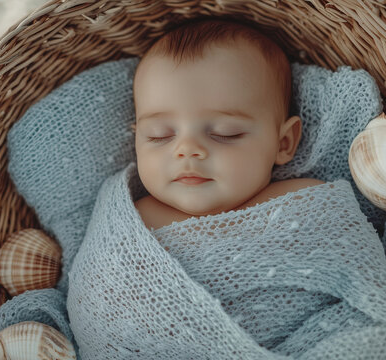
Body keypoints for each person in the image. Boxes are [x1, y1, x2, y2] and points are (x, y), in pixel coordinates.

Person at [131, 19, 324, 231]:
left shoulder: (307, 201)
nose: (187, 149)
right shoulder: (132, 220)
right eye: (159, 135)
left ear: (283, 143)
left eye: (225, 133)